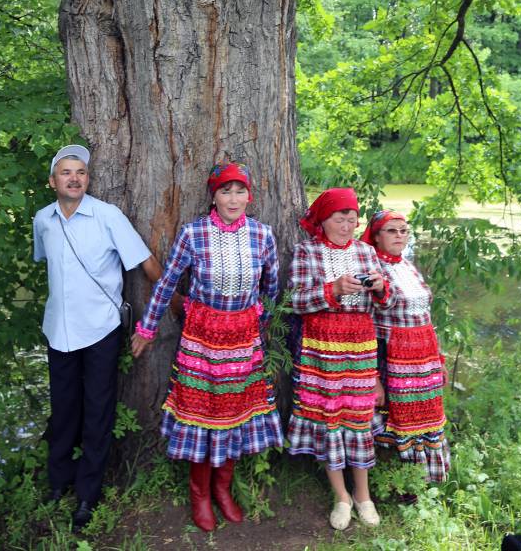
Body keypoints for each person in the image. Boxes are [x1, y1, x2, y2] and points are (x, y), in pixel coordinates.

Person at [131, 161, 283, 532]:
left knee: (234, 413)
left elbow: (272, 288)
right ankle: (199, 493)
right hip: (201, 339)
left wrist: (259, 325)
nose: (233, 199)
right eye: (225, 191)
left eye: (240, 191)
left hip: (243, 340)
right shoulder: (194, 233)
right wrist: (147, 329)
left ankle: (223, 489)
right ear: (213, 196)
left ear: (250, 195)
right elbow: (167, 284)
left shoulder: (262, 235)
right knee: (202, 414)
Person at [33, 144, 165, 531]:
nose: (74, 179)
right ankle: (59, 484)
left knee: (97, 413)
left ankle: (88, 495)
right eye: (66, 173)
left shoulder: (107, 216)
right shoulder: (43, 220)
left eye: (81, 173)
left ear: (87, 179)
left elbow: (146, 262)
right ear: (53, 180)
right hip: (59, 330)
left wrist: (172, 299)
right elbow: (48, 264)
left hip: (101, 330)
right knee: (63, 412)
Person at [287, 187, 396, 532]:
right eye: (339, 217)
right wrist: (333, 290)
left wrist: (380, 288)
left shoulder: (366, 251)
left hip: (361, 346)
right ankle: (341, 496)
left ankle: (363, 495)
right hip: (320, 347)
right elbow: (298, 302)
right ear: (323, 219)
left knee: (359, 418)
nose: (348, 223)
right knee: (329, 420)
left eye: (352, 217)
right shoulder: (306, 251)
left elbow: (387, 304)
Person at [361, 210, 450, 484]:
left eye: (403, 231)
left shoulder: (407, 265)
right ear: (376, 236)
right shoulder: (373, 270)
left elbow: (426, 316)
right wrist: (374, 378)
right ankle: (396, 483)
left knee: (424, 416)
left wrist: (439, 361)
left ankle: (425, 481)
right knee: (393, 417)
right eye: (391, 230)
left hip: (423, 357)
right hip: (393, 356)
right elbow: (376, 311)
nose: (399, 235)